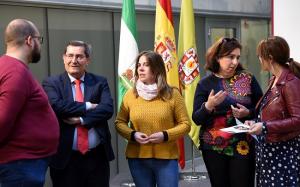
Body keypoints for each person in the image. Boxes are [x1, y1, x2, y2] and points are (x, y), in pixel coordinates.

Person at [192, 37, 263, 187]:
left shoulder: (247, 78)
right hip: (213, 146)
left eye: (237, 57)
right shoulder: (205, 84)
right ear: (218, 58)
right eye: (230, 57)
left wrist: (247, 113)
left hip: (243, 144)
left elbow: (262, 108)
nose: (235, 62)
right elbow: (196, 118)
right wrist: (208, 106)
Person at [42, 40, 114, 187]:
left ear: (87, 60)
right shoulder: (52, 83)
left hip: (97, 158)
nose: (74, 60)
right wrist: (88, 106)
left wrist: (81, 120)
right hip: (65, 159)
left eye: (79, 56)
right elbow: (58, 106)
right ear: (64, 58)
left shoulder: (99, 82)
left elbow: (107, 109)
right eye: (70, 55)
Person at [115, 51, 190, 187]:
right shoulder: (130, 95)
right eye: (139, 65)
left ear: (156, 69)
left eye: (146, 65)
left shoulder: (173, 94)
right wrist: (133, 134)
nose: (141, 68)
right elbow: (119, 123)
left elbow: (185, 124)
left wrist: (165, 135)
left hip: (166, 157)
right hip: (137, 157)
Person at [0, 19, 59, 187]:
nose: (39, 45)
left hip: (22, 164)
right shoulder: (15, 72)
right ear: (29, 40)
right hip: (20, 165)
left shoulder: (8, 67)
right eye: (39, 40)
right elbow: (3, 120)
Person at [246, 36, 300, 186]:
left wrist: (264, 127)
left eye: (259, 56)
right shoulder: (274, 80)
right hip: (269, 150)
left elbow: (298, 120)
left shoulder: (290, 83)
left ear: (269, 58)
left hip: (283, 152)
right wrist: (256, 122)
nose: (259, 59)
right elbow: (273, 113)